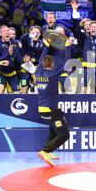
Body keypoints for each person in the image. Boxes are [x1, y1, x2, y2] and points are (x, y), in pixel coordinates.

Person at [36, 38, 73, 166]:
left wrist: (46, 46)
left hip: (42, 109)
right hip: (50, 110)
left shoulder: (38, 73)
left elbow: (42, 59)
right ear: (52, 65)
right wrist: (68, 47)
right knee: (64, 134)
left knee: (54, 129)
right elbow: (67, 64)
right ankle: (45, 151)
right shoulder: (52, 76)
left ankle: (48, 151)